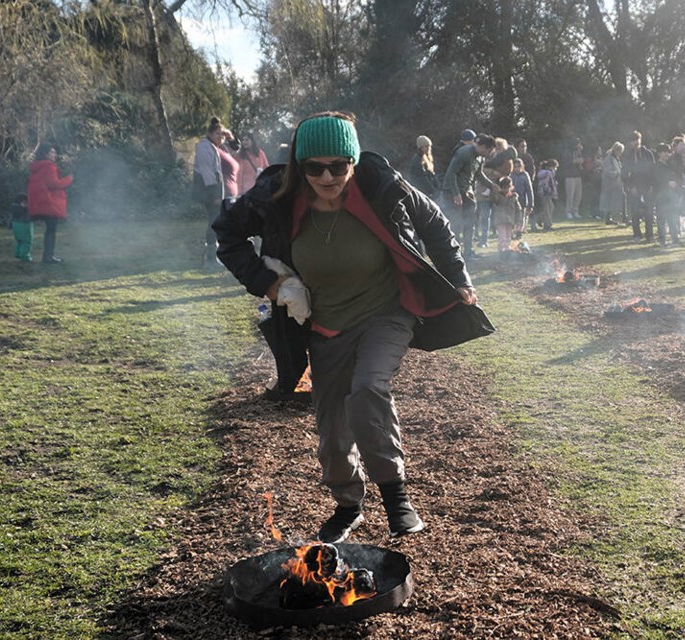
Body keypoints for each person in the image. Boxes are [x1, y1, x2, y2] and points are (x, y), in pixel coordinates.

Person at [212, 111, 493, 542]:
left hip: (386, 312)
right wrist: (270, 284)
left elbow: (434, 223)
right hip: (324, 327)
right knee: (333, 433)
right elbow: (227, 236)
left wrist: (459, 279)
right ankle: (348, 505)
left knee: (367, 389)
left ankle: (397, 498)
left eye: (339, 165)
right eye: (314, 167)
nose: (327, 176)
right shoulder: (275, 197)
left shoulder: (383, 186)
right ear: (299, 167)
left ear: (353, 161)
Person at [442, 133, 497, 258]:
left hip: (467, 191)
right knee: (456, 223)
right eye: (488, 150)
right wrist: (456, 193)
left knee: (470, 222)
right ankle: (455, 253)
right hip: (452, 192)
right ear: (482, 146)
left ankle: (468, 251)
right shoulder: (464, 153)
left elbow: (478, 174)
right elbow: (451, 173)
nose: (489, 154)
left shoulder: (480, 158)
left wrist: (491, 185)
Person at [27, 142, 72, 264]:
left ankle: (45, 256)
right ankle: (48, 256)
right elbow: (54, 184)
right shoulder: (49, 167)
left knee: (48, 230)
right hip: (49, 203)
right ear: (46, 154)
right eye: (52, 152)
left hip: (39, 202)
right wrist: (68, 180)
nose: (54, 154)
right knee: (51, 231)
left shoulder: (36, 167)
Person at [193, 117, 228, 265]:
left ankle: (213, 256)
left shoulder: (212, 146)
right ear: (210, 134)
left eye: (222, 134)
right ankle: (210, 258)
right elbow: (208, 172)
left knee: (215, 221)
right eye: (218, 134)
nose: (221, 137)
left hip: (213, 190)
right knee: (213, 222)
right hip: (209, 191)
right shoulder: (204, 147)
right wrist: (215, 195)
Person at [621, 131, 655, 242]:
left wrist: (651, 186)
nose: (635, 142)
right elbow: (624, 173)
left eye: (637, 139)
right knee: (635, 212)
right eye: (633, 140)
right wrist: (630, 187)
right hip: (634, 188)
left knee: (649, 212)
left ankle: (649, 235)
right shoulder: (627, 156)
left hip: (647, 186)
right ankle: (637, 235)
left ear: (640, 140)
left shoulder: (648, 153)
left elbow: (653, 171)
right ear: (630, 142)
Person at [651, 143, 681, 246]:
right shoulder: (656, 166)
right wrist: (667, 183)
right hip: (660, 196)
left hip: (671, 196)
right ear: (659, 153)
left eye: (668, 152)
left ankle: (675, 240)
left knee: (672, 218)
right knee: (661, 219)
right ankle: (662, 240)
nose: (666, 154)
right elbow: (656, 181)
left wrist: (675, 183)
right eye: (664, 152)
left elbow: (676, 176)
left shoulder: (670, 165)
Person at [492, 176, 521, 254]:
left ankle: (507, 249)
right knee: (502, 236)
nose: (506, 190)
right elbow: (494, 201)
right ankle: (502, 250)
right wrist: (495, 192)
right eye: (504, 187)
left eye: (508, 187)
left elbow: (518, 210)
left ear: (511, 187)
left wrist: (518, 221)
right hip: (500, 220)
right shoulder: (498, 196)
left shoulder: (514, 197)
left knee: (508, 236)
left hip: (510, 220)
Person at [600, 142, 625, 226]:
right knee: (608, 200)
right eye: (620, 151)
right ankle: (608, 218)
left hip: (616, 182)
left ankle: (613, 217)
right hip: (609, 183)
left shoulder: (616, 158)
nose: (621, 153)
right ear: (616, 150)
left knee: (613, 201)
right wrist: (616, 174)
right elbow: (607, 171)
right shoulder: (609, 158)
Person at [510, 158, 534, 235]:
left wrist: (530, 204)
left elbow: (529, 190)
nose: (517, 168)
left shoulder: (525, 175)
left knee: (521, 216)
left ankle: (519, 231)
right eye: (515, 166)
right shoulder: (510, 175)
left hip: (522, 199)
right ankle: (510, 231)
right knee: (512, 216)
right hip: (511, 199)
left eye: (519, 166)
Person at [564, 137, 585, 219]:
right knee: (570, 195)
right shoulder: (567, 152)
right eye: (578, 143)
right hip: (569, 176)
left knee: (578, 195)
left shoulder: (578, 152)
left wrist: (580, 155)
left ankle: (575, 211)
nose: (580, 145)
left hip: (577, 175)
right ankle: (568, 212)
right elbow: (568, 161)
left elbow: (581, 161)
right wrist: (577, 161)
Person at [535, 159, 559, 230]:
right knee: (548, 209)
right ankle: (547, 225)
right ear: (551, 166)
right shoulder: (549, 173)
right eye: (555, 167)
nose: (556, 169)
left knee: (550, 207)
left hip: (543, 192)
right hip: (546, 193)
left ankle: (539, 218)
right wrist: (551, 192)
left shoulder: (544, 173)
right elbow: (549, 183)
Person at [8, 192, 32, 262]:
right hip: (25, 225)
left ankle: (17, 253)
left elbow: (10, 218)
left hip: (15, 226)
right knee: (26, 241)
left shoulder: (14, 208)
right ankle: (25, 256)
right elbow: (30, 216)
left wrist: (9, 226)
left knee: (19, 241)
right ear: (23, 202)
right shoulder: (24, 209)